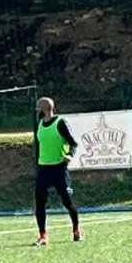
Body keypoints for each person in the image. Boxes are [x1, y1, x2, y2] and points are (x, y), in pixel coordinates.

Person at [33, 97, 82, 245]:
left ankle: (76, 229)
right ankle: (43, 235)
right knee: (40, 202)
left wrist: (69, 155)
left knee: (67, 201)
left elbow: (73, 143)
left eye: (38, 108)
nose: (37, 111)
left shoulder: (60, 123)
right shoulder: (39, 125)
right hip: (43, 169)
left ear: (45, 108)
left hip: (59, 168)